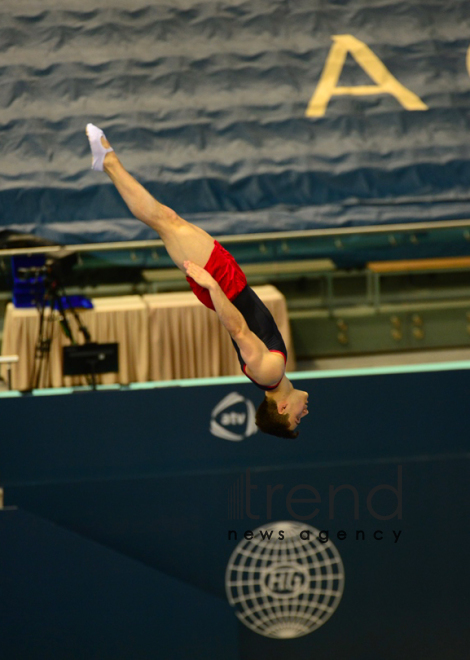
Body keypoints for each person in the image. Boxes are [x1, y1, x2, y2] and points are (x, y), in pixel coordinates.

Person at [86, 124, 309, 438]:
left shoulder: (269, 373)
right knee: (165, 219)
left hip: (224, 286)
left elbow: (238, 328)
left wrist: (213, 286)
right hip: (227, 285)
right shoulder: (273, 375)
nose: (305, 413)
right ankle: (106, 163)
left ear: (283, 409)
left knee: (165, 221)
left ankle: (108, 162)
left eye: (297, 419)